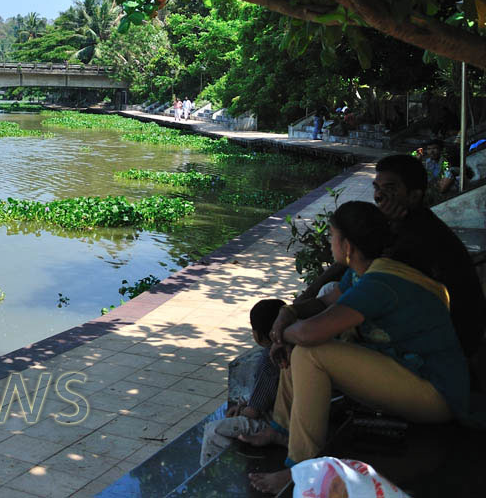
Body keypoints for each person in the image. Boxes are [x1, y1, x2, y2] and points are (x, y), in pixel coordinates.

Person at [245, 201, 468, 494]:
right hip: (408, 374)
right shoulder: (364, 272)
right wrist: (289, 312)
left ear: (346, 245)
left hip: (436, 394)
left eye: (332, 236)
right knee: (300, 345)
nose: (330, 242)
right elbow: (323, 303)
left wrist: (283, 332)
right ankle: (282, 432)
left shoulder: (380, 283)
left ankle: (301, 471)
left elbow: (312, 332)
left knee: (312, 351)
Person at [287, 154, 484, 359]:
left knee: (311, 350)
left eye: (390, 188)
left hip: (447, 346)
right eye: (377, 188)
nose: (379, 196)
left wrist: (294, 320)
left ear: (414, 196)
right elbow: (350, 263)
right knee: (329, 293)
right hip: (428, 333)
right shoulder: (404, 225)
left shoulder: (417, 237)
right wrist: (300, 304)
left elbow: (359, 263)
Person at [199, 299, 284, 465]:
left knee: (213, 430)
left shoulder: (270, 360)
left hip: (273, 423)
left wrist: (242, 412)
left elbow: (255, 411)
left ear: (258, 335)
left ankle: (211, 471)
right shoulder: (290, 348)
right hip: (281, 414)